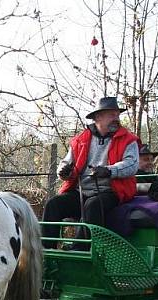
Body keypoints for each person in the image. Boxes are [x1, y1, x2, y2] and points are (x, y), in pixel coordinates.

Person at [42, 97, 139, 248]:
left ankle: (81, 252)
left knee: (93, 205)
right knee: (53, 204)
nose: (116, 119)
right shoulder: (81, 139)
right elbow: (66, 162)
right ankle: (46, 253)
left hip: (112, 192)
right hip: (82, 191)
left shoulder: (128, 140)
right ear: (97, 117)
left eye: (117, 115)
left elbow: (131, 165)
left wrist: (108, 171)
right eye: (111, 115)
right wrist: (64, 171)